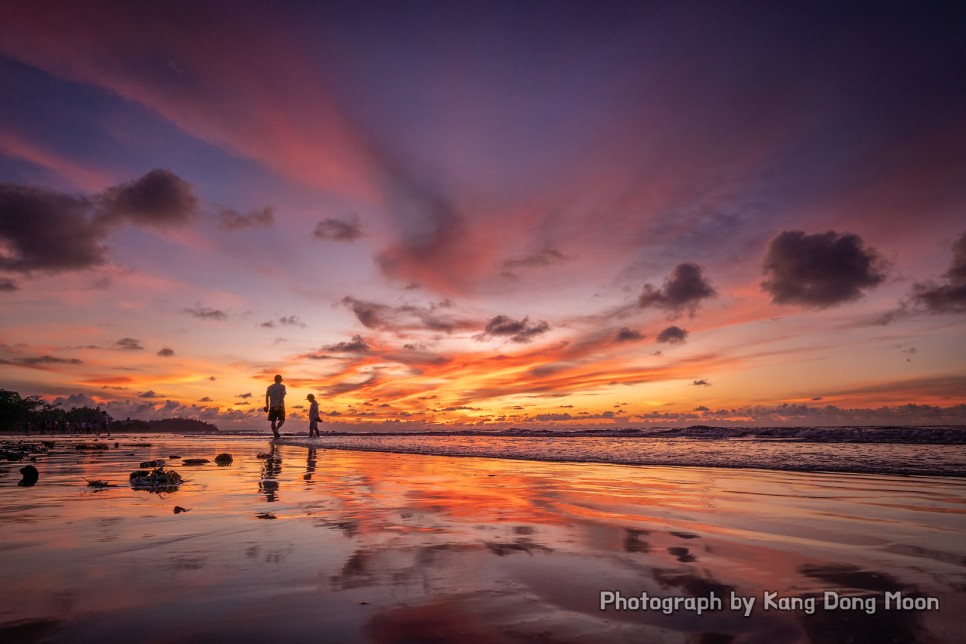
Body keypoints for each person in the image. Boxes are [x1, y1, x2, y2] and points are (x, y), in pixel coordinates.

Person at [264, 374, 286, 439]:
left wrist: (267, 407)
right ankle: (276, 429)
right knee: (282, 420)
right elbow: (282, 396)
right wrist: (278, 405)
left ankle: (275, 434)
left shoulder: (269, 387)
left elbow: (266, 397)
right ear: (280, 380)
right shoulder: (282, 386)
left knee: (273, 421)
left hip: (272, 406)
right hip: (280, 405)